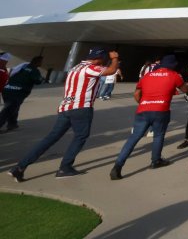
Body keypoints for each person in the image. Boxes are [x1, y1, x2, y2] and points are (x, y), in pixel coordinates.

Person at [9, 48, 120, 181]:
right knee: (80, 136)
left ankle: (20, 167)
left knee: (50, 138)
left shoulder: (76, 68)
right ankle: (65, 168)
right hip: (81, 108)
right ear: (99, 59)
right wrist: (115, 58)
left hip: (66, 107)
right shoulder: (90, 68)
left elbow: (70, 87)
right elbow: (111, 71)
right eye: (104, 59)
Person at [111, 54, 187, 179]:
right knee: (158, 136)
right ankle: (156, 161)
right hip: (161, 110)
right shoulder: (174, 75)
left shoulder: (147, 76)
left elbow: (136, 94)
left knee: (133, 138)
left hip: (143, 109)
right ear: (173, 66)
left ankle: (117, 166)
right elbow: (184, 89)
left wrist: (144, 103)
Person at [0, 56, 44, 131]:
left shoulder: (21, 67)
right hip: (18, 92)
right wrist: (41, 78)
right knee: (8, 110)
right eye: (41, 62)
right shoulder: (34, 70)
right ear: (37, 62)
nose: (42, 63)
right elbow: (38, 81)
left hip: (7, 90)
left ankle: (12, 124)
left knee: (13, 107)